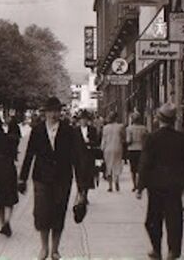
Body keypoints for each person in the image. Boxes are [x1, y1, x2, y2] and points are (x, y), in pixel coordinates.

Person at [18, 97, 91, 260]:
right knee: (42, 213)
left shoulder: (69, 131)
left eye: (56, 111)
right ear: (45, 112)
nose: (53, 114)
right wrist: (22, 178)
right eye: (50, 111)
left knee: (59, 212)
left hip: (62, 178)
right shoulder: (37, 130)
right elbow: (29, 154)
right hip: (41, 178)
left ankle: (55, 249)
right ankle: (44, 247)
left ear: (60, 112)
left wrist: (81, 187)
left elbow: (77, 159)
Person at [137, 103, 184, 260]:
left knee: (153, 219)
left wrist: (140, 187)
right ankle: (173, 251)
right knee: (174, 219)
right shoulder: (183, 139)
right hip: (175, 185)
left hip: (156, 185)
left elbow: (145, 163)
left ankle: (156, 249)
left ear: (158, 119)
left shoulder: (152, 138)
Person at [101, 112, 125, 192]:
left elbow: (103, 139)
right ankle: (117, 181)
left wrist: (102, 148)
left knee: (109, 166)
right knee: (117, 164)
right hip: (118, 147)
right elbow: (123, 137)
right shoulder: (120, 127)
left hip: (108, 148)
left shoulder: (105, 128)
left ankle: (110, 186)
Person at [77, 110, 100, 191]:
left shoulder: (92, 129)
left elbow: (97, 142)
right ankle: (81, 193)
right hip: (78, 157)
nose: (83, 121)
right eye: (82, 119)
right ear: (79, 120)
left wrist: (90, 142)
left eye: (85, 119)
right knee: (79, 176)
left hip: (89, 156)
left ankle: (85, 195)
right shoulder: (75, 130)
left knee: (88, 176)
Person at [126, 112, 148, 191]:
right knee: (140, 168)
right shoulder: (144, 128)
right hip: (141, 149)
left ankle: (134, 185)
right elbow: (146, 139)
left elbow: (129, 140)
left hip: (132, 150)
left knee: (133, 169)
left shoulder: (129, 129)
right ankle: (140, 184)